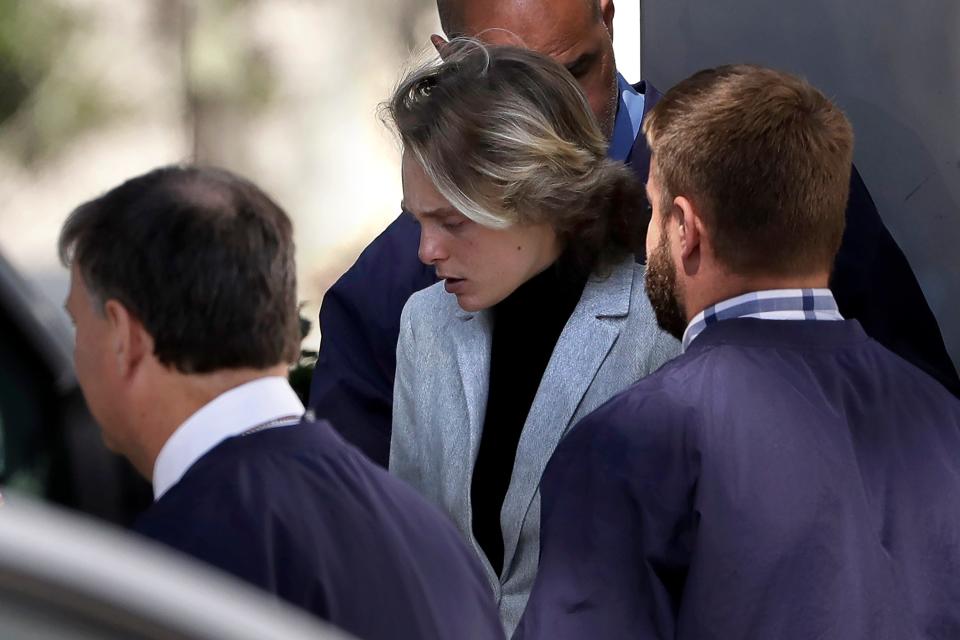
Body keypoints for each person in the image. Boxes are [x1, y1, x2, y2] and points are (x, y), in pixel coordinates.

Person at [308, 0, 959, 469]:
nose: (557, 117)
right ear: (450, 65)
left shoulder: (763, 179)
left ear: (609, 12)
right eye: (515, 88)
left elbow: (923, 431)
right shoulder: (392, 290)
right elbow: (357, 560)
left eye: (577, 71)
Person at [515, 65, 960, 640]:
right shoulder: (945, 427)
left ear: (685, 228)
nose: (648, 239)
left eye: (653, 213)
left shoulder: (628, 446)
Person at [59, 166, 504, 640]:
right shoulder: (432, 537)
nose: (75, 352)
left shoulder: (175, 567)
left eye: (77, 324)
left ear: (123, 336)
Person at [386, 41, 679, 634]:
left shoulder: (660, 327)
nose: (426, 251)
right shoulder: (425, 324)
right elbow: (408, 553)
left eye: (451, 221)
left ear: (540, 195)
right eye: (417, 219)